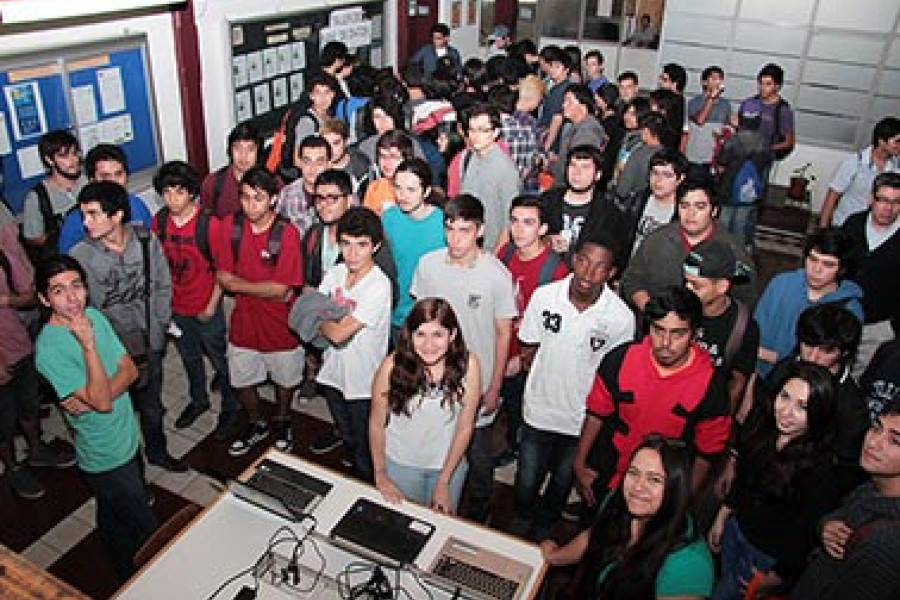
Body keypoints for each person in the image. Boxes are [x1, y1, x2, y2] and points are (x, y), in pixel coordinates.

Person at [35, 255, 157, 581]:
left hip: (127, 436)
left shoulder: (93, 316)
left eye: (76, 286)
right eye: (58, 291)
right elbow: (103, 402)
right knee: (147, 531)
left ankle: (122, 575)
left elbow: (130, 370)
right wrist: (88, 347)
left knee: (113, 518)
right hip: (105, 456)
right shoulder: (49, 349)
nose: (72, 297)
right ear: (44, 300)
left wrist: (92, 399)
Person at [510, 228, 634, 541]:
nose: (589, 274)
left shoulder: (620, 318)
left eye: (600, 267)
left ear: (612, 272)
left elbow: (614, 375)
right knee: (526, 479)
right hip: (539, 410)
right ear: (574, 259)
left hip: (581, 420)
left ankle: (546, 524)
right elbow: (528, 347)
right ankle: (521, 518)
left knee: (563, 480)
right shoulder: (545, 297)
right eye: (584, 262)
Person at [573, 287, 732, 518]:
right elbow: (596, 412)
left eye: (677, 334)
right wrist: (580, 463)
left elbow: (707, 452)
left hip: (661, 494)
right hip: (607, 475)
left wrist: (684, 500)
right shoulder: (620, 359)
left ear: (694, 334)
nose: (666, 342)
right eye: (659, 330)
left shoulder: (711, 386)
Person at [411, 194, 517, 523]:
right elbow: (420, 322)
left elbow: (503, 333)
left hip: (476, 381)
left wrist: (495, 385)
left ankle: (480, 514)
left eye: (465, 230)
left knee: (479, 455)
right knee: (433, 443)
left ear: (480, 231)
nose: (456, 238)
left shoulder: (496, 274)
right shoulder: (428, 265)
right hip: (433, 376)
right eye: (450, 229)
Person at [69, 181, 184, 472]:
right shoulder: (80, 255)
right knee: (117, 409)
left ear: (117, 214)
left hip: (147, 340)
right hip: (109, 349)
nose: (86, 222)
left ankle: (157, 452)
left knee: (151, 405)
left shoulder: (145, 240)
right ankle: (130, 465)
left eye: (93, 214)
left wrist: (158, 329)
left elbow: (162, 285)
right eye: (84, 215)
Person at [709, 361, 842, 599]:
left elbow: (803, 535)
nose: (786, 412)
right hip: (736, 529)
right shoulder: (764, 429)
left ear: (819, 414)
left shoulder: (820, 469)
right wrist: (722, 515)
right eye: (785, 397)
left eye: (802, 407)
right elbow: (743, 479)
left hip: (762, 557)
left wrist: (778, 576)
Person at [542, 435, 714, 600]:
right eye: (633, 473)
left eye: (654, 480)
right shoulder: (617, 500)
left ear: (676, 488)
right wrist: (555, 556)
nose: (638, 487)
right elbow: (594, 535)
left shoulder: (689, 562)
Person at [215, 167, 304, 456]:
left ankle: (283, 420)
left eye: (258, 198)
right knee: (241, 379)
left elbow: (282, 291)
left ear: (274, 199)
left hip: (281, 325)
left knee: (285, 380)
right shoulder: (230, 227)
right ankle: (256, 422)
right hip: (244, 323)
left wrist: (239, 284)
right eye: (245, 197)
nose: (250, 205)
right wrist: (266, 287)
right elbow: (223, 277)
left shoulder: (286, 233)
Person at [151, 161, 239, 440]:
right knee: (189, 357)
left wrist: (211, 306)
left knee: (220, 359)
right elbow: (158, 267)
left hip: (205, 305)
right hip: (177, 307)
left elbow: (223, 271)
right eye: (167, 192)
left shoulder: (209, 225)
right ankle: (198, 399)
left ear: (191, 193)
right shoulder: (160, 222)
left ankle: (231, 405)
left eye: (179, 191)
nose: (172, 199)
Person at [369, 298, 480, 513]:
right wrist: (380, 472)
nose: (429, 345)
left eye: (438, 334)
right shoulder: (392, 365)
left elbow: (465, 427)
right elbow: (376, 422)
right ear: (409, 335)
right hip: (401, 464)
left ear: (452, 335)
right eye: (420, 334)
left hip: (448, 465)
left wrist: (444, 481)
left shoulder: (469, 366)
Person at [790, 399, 900, 600]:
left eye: (895, 441)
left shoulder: (886, 543)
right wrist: (826, 526)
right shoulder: (873, 486)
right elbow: (845, 512)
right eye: (877, 427)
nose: (873, 443)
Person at [0, 214, 74, 500]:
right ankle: (13, 468)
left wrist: (8, 300)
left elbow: (30, 293)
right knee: (4, 419)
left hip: (19, 344)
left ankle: (36, 449)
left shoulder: (6, 249)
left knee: (28, 403)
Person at [493, 196, 569, 468]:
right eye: (514, 221)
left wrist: (523, 359)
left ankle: (520, 449)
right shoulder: (505, 254)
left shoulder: (555, 270)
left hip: (531, 356)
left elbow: (557, 329)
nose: (519, 229)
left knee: (524, 409)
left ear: (543, 228)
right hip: (503, 344)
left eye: (528, 223)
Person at [317, 207, 392, 480]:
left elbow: (338, 334)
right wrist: (326, 321)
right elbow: (312, 308)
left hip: (363, 382)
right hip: (333, 372)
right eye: (346, 244)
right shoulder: (336, 272)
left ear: (376, 246)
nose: (353, 253)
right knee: (347, 435)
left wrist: (321, 321)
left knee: (365, 449)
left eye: (362, 245)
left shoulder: (378, 285)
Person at [622, 177, 756, 312]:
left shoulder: (732, 252)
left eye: (700, 207)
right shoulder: (657, 240)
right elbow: (631, 280)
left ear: (714, 210)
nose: (691, 214)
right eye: (684, 206)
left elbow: (744, 302)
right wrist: (652, 311)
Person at [754, 227, 863, 377]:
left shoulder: (850, 309)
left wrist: (771, 356)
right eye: (812, 259)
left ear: (842, 269)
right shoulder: (781, 283)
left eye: (828, 264)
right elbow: (756, 330)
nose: (816, 270)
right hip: (762, 374)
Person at [684, 238, 759, 414]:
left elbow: (738, 382)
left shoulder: (743, 327)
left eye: (696, 285)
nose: (687, 289)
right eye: (686, 281)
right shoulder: (678, 307)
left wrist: (724, 422)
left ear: (722, 286)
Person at [842, 172, 900, 376]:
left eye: (896, 202)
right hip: (842, 317)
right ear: (871, 199)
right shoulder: (854, 224)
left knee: (859, 380)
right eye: (883, 200)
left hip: (878, 327)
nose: (888, 208)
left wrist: (892, 326)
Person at [382, 159, 446, 341]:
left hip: (431, 317)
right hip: (393, 313)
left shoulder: (443, 223)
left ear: (426, 191)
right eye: (398, 188)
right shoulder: (389, 218)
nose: (402, 195)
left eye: (411, 190)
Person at [58, 143, 154, 253]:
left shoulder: (136, 205)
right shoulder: (77, 220)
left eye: (118, 174)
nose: (114, 182)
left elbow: (153, 245)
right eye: (106, 176)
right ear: (92, 180)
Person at [542, 145, 623, 267]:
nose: (577, 173)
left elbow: (613, 257)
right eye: (573, 165)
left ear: (598, 175)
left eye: (585, 167)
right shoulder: (547, 201)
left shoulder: (609, 214)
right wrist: (545, 241)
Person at [457, 103, 522, 251]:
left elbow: (510, 220)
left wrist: (495, 255)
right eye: (472, 130)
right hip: (469, 243)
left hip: (491, 247)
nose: (475, 136)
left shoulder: (505, 168)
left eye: (482, 130)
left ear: (496, 132)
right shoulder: (468, 158)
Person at [820, 116, 900, 227]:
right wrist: (823, 229)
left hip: (873, 228)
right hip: (844, 225)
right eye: (897, 141)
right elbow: (832, 196)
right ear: (882, 141)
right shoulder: (854, 163)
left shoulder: (895, 167)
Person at [22, 130, 85, 265]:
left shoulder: (88, 181)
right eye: (64, 156)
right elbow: (33, 238)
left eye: (75, 153)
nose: (73, 160)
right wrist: (63, 236)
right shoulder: (37, 197)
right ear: (49, 160)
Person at [200, 121, 262, 218]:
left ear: (258, 152)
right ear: (229, 150)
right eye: (238, 148)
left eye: (250, 149)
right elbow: (205, 221)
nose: (243, 155)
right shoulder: (212, 183)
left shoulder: (272, 182)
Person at [737, 63, 795, 161]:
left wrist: (764, 148)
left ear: (777, 86)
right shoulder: (749, 102)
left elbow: (788, 142)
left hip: (764, 158)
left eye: (768, 84)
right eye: (761, 83)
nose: (762, 87)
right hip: (743, 154)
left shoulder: (783, 110)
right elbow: (740, 129)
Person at [551, 84, 607, 186]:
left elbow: (579, 169)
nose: (564, 105)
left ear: (583, 106)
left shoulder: (587, 133)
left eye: (569, 101)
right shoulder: (576, 126)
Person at [278, 135, 331, 235]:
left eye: (319, 163)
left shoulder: (341, 192)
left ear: (329, 164)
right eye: (307, 162)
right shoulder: (287, 193)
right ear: (300, 163)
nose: (312, 168)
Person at [685, 66, 731, 179]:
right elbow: (700, 120)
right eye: (714, 78)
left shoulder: (725, 105)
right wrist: (711, 99)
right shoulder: (694, 102)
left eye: (720, 79)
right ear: (704, 82)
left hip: (713, 159)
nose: (718, 82)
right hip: (694, 157)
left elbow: (726, 130)